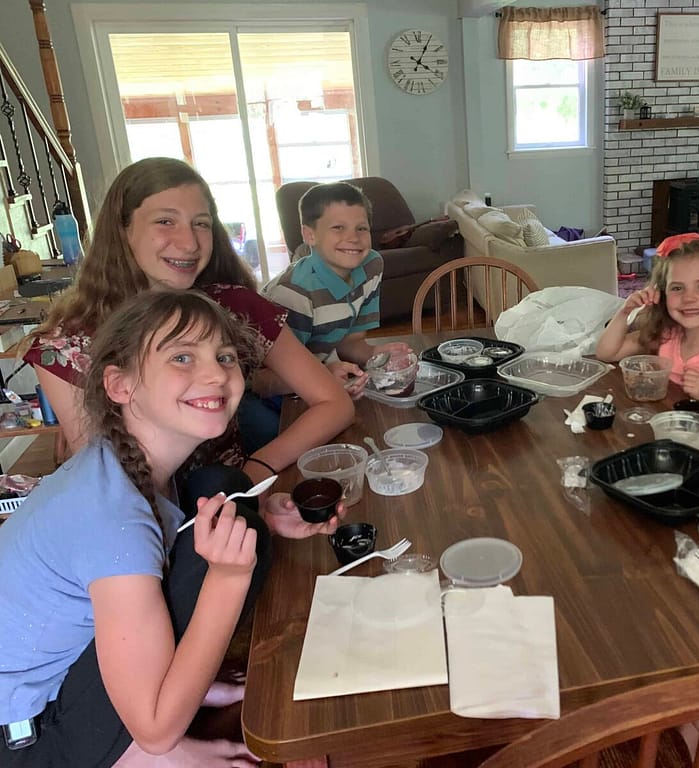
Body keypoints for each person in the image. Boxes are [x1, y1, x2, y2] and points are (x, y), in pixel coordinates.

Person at [0, 290, 343, 768]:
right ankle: (136, 753)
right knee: (222, 524)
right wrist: (228, 578)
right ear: (120, 386)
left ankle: (176, 696)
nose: (217, 373)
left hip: (54, 676)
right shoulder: (113, 520)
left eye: (224, 355)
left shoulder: (126, 467)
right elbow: (157, 730)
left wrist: (260, 520)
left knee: (225, 493)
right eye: (182, 356)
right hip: (25, 742)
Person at [21, 157, 354, 485]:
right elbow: (112, 489)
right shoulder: (63, 348)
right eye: (165, 221)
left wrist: (255, 472)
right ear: (122, 230)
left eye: (201, 223)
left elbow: (334, 403)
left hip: (233, 497)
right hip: (150, 523)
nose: (190, 243)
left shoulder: (234, 304)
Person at [261, 181, 413, 399]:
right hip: (275, 396)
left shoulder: (372, 266)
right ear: (309, 235)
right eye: (338, 228)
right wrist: (323, 376)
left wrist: (374, 354)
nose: (353, 238)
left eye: (361, 228)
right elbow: (263, 380)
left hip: (321, 378)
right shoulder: (292, 294)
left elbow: (349, 342)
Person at [595, 237, 699, 420]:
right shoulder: (667, 334)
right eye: (677, 288)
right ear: (663, 295)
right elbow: (606, 353)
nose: (689, 298)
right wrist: (626, 312)